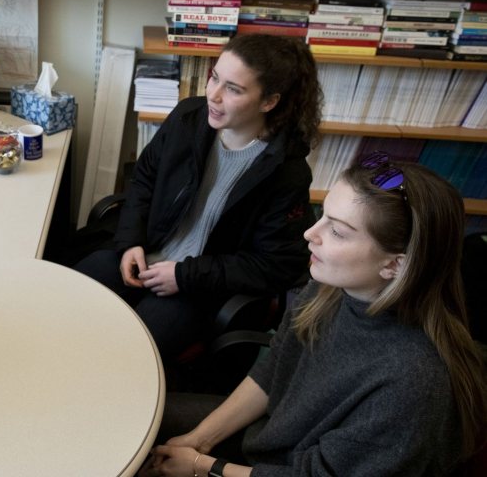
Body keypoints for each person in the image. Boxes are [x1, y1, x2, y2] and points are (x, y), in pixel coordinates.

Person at [141, 159, 487, 476]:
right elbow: (274, 370)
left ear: (394, 264)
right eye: (321, 214)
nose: (310, 233)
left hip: (296, 468)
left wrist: (203, 466)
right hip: (272, 440)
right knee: (131, 417)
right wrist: (199, 439)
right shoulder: (330, 288)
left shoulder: (412, 382)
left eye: (337, 231)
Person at [74, 34, 322, 361]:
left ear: (269, 102)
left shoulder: (286, 172)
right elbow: (144, 178)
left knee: (125, 356)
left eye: (233, 89)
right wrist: (130, 241)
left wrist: (184, 275)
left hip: (200, 286)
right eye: (214, 78)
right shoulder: (187, 119)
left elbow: (275, 266)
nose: (213, 96)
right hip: (148, 249)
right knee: (67, 305)